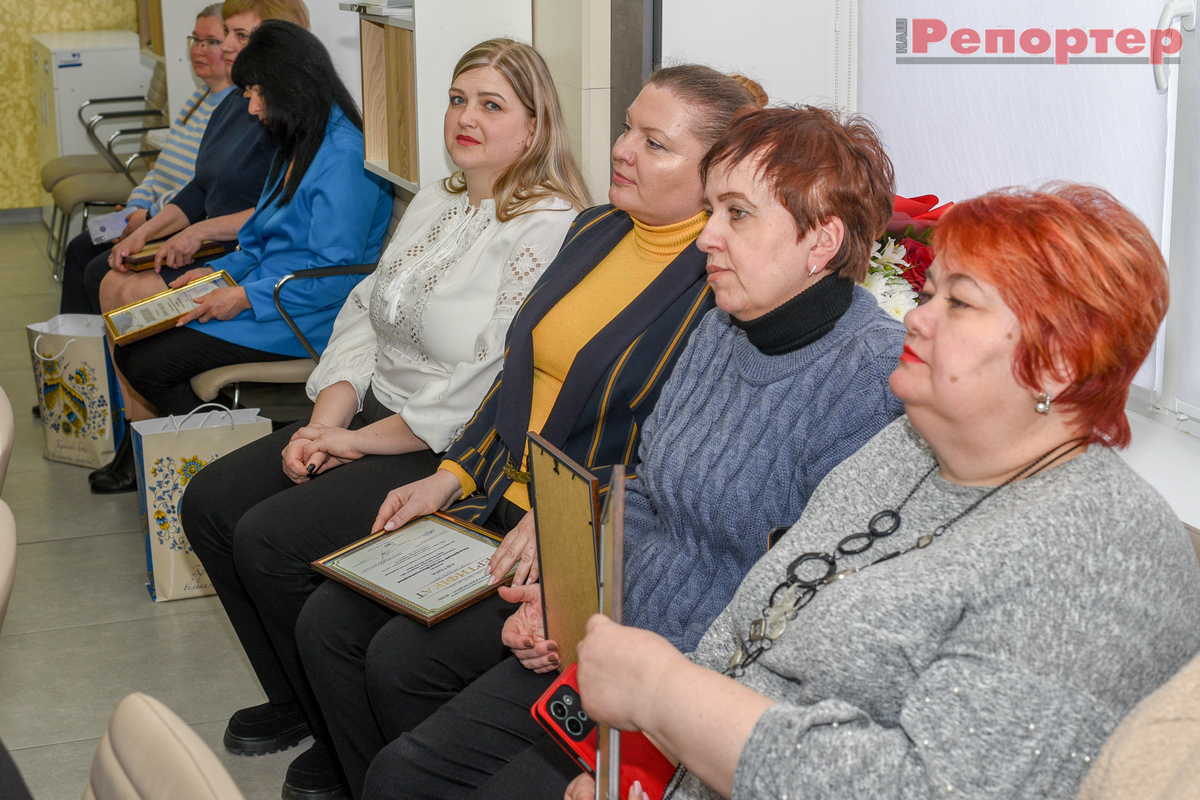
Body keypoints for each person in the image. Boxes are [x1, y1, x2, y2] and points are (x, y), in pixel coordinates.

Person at [566, 183, 1200, 800]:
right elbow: (745, 634)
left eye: (960, 303)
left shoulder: (1096, 558)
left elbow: (928, 787)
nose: (917, 317)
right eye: (929, 293)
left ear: (1059, 362)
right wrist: (647, 765)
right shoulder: (908, 445)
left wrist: (666, 696)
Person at [348, 104, 910, 800]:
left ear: (821, 241)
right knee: (402, 772)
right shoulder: (724, 326)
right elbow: (646, 488)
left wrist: (637, 669)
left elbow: (798, 617)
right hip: (615, 641)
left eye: (737, 215)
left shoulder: (872, 382)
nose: (707, 236)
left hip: (698, 694)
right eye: (712, 210)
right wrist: (571, 599)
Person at [287, 66, 768, 800]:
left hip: (569, 533)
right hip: (494, 496)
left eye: (655, 143)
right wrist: (449, 475)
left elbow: (662, 454)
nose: (622, 149)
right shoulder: (596, 229)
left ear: (717, 176)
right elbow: (514, 379)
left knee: (399, 662)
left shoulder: (714, 285)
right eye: (627, 128)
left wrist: (566, 521)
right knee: (327, 623)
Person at [180, 38, 588, 800]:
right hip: (366, 414)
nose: (465, 118)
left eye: (491, 105)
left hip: (441, 446)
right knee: (209, 502)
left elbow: (486, 381)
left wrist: (355, 442)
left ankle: (346, 747)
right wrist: (325, 419)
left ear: (535, 127)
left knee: (267, 538)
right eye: (458, 99)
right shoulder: (437, 198)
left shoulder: (547, 227)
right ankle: (301, 703)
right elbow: (366, 310)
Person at [86, 0, 312, 493]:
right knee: (110, 283)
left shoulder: (290, 122)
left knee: (130, 308)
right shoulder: (234, 104)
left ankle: (172, 450)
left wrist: (204, 239)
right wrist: (149, 230)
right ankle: (144, 436)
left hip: (249, 268)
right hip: (236, 257)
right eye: (225, 34)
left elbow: (274, 220)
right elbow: (201, 188)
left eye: (240, 36)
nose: (227, 46)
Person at [58, 3, 233, 314]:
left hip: (180, 221)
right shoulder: (199, 99)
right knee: (81, 246)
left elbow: (199, 188)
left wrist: (147, 217)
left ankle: (99, 337)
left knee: (96, 265)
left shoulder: (234, 110)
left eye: (212, 42)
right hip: (150, 212)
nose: (199, 50)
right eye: (195, 40)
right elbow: (160, 168)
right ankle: (77, 338)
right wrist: (136, 206)